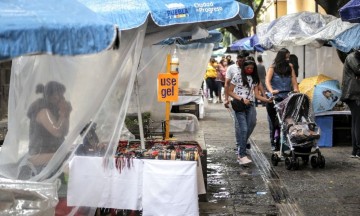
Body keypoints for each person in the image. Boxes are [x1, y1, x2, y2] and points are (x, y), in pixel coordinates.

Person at [228, 57, 273, 165]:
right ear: (244, 68)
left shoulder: (254, 79)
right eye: (247, 68)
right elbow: (229, 91)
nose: (249, 70)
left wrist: (266, 100)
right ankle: (241, 155)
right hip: (239, 105)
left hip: (251, 105)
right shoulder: (237, 76)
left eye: (251, 68)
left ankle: (241, 146)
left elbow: (257, 95)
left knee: (251, 124)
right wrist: (241, 99)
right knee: (243, 129)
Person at [26, 81, 72, 169]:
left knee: (73, 154)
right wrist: (63, 113)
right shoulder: (43, 110)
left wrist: (66, 115)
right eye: (60, 94)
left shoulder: (54, 110)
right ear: (52, 96)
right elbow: (57, 131)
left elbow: (64, 132)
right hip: (40, 154)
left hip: (53, 151)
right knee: (70, 157)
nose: (62, 98)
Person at [265, 48, 299, 151]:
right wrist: (272, 90)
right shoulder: (272, 68)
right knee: (274, 122)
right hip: (275, 98)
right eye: (286, 57)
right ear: (281, 57)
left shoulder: (290, 67)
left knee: (287, 121)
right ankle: (273, 141)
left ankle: (284, 141)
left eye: (289, 57)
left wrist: (296, 89)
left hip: (287, 98)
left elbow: (294, 80)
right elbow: (267, 81)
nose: (288, 59)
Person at [224, 52, 248, 153]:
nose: (242, 62)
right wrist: (226, 98)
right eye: (240, 60)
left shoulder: (248, 67)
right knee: (239, 124)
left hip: (248, 100)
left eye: (244, 60)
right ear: (237, 59)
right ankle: (240, 144)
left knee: (250, 123)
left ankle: (243, 141)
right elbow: (227, 84)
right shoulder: (231, 68)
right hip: (236, 100)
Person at [340, 49, 360, 158]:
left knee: (356, 122)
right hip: (353, 94)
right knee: (358, 122)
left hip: (354, 93)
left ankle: (355, 150)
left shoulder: (354, 57)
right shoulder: (352, 57)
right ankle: (358, 150)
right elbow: (358, 69)